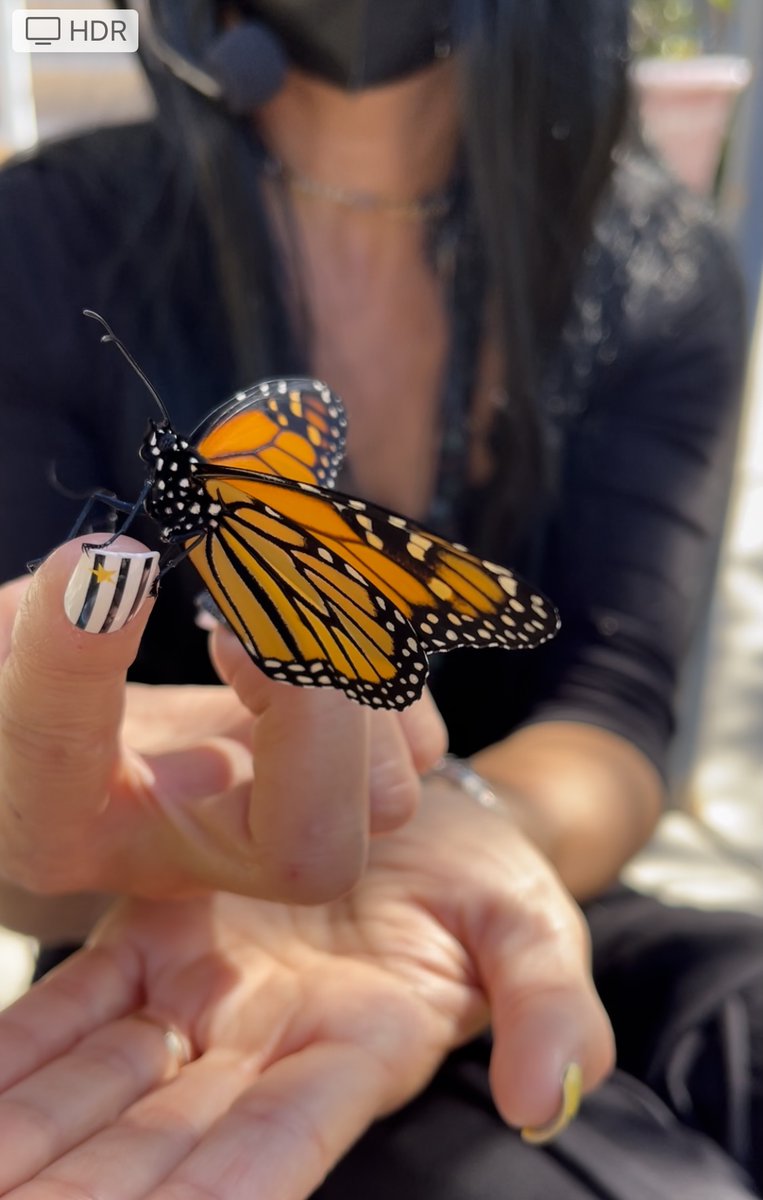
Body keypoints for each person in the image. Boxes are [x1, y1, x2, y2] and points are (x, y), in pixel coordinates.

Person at [0, 1, 761, 1196]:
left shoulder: (662, 272)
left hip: (520, 870)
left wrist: (456, 819)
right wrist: (58, 820)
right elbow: (36, 784)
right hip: (167, 954)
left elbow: (615, 708)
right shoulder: (42, 241)